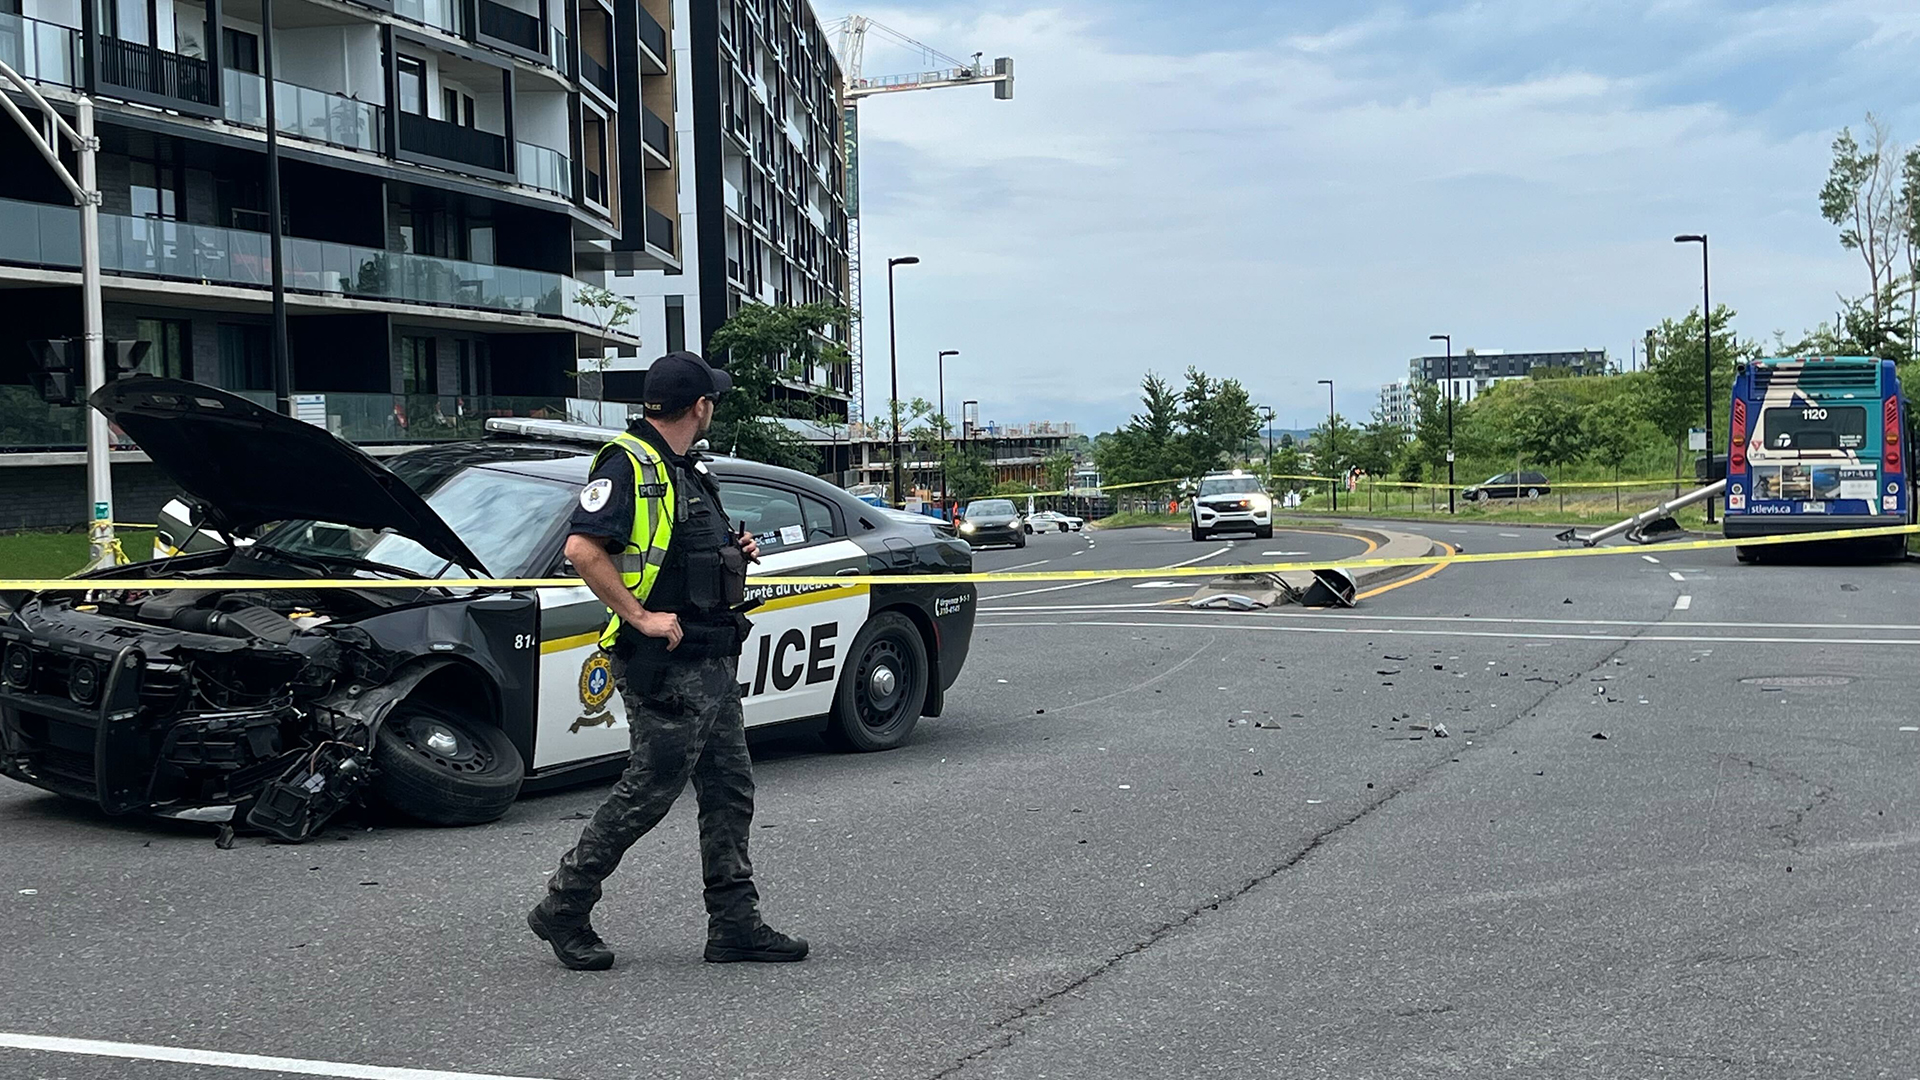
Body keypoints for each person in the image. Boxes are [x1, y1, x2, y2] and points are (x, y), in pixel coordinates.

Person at [527, 351, 807, 971]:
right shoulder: (628, 463)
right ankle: (564, 906)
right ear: (700, 406)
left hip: (709, 657)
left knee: (729, 789)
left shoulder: (684, 469)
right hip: (666, 663)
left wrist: (734, 551)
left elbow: (681, 550)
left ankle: (735, 925)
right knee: (650, 790)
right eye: (715, 401)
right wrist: (642, 617)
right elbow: (581, 549)